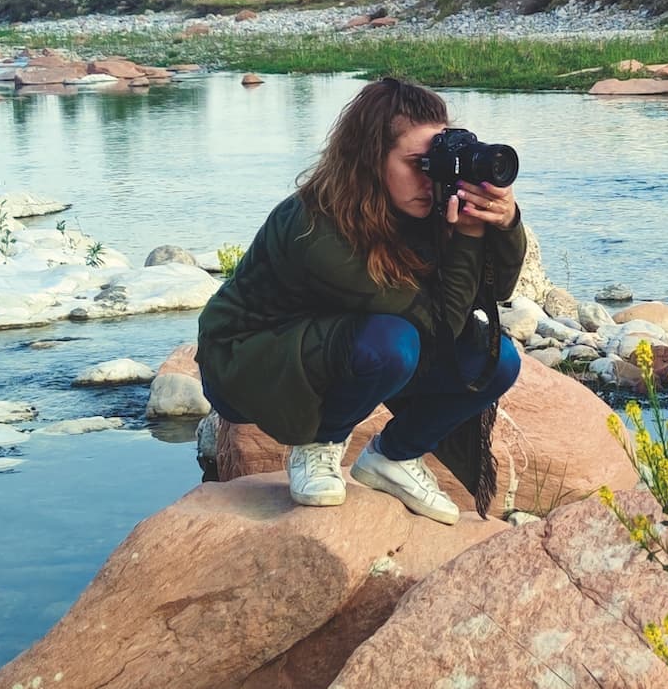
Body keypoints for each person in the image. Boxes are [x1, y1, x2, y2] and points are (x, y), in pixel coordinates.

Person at [194, 77, 527, 524]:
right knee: (394, 344)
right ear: (370, 161)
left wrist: (503, 224)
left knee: (496, 360)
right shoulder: (314, 227)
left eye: (437, 164)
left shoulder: (420, 207)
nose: (430, 180)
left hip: (334, 341)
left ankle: (393, 457)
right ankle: (318, 446)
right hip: (250, 360)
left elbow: (494, 293)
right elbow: (437, 324)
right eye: (417, 163)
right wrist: (467, 238)